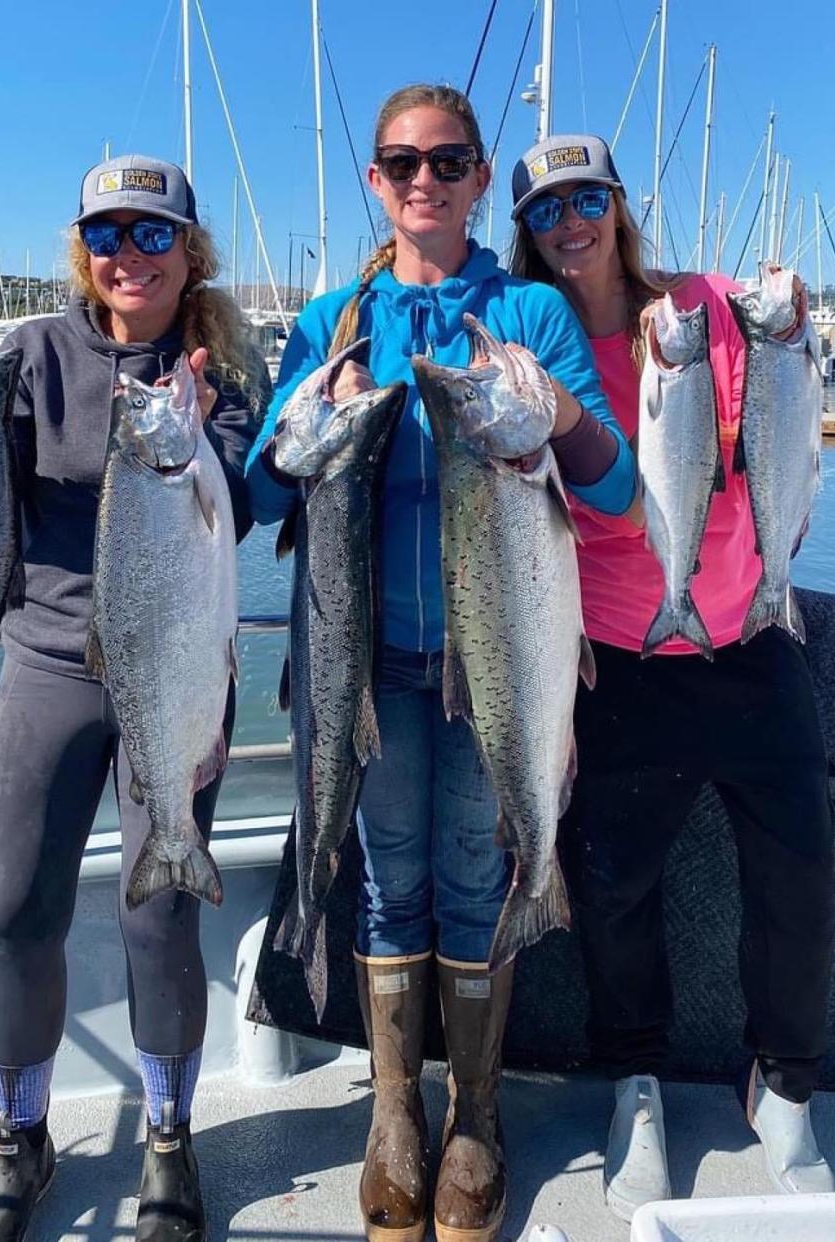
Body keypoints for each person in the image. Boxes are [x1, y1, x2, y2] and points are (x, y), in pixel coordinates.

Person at [247, 87, 636, 1242]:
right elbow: (265, 492)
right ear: (376, 181)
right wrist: (297, 425)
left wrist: (556, 404)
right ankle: (391, 1113)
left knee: (477, 871)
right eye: (403, 164)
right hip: (369, 665)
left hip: (500, 660)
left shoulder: (527, 314)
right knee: (388, 875)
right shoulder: (330, 321)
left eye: (449, 162)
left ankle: (473, 1116)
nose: (425, 181)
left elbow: (611, 484)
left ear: (475, 182)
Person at [508, 133, 835, 1219]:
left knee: (799, 874)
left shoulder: (698, 309)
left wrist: (786, 327)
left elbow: (778, 438)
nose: (571, 225)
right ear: (527, 231)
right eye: (548, 210)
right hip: (618, 659)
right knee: (611, 888)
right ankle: (634, 1086)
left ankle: (783, 1087)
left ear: (617, 206)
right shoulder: (536, 347)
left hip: (746, 637)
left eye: (586, 199)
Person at [0, 154, 265, 1242]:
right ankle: (17, 1140)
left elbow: (247, 508)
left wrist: (227, 429)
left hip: (173, 660)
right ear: (82, 253)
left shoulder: (221, 364)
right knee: (14, 913)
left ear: (190, 251)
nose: (126, 255)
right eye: (106, 235)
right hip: (46, 664)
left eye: (151, 234)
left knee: (160, 910)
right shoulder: (33, 354)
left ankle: (168, 1144)